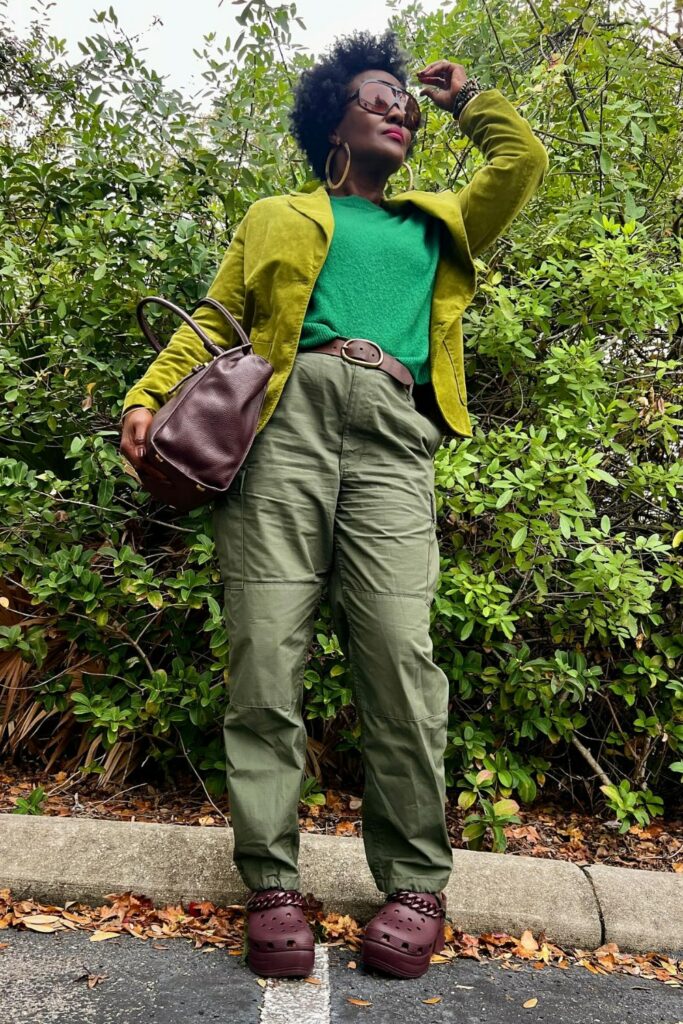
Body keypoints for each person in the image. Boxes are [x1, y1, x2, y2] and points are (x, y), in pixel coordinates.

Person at [119, 29, 548, 981]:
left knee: (400, 654)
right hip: (283, 435)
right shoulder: (275, 214)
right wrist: (147, 396)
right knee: (265, 652)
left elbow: (522, 160)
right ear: (332, 125)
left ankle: (414, 884)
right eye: (375, 97)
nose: (395, 108)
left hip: (393, 438)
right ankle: (269, 882)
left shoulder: (436, 222)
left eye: (402, 101)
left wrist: (463, 95)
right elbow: (218, 322)